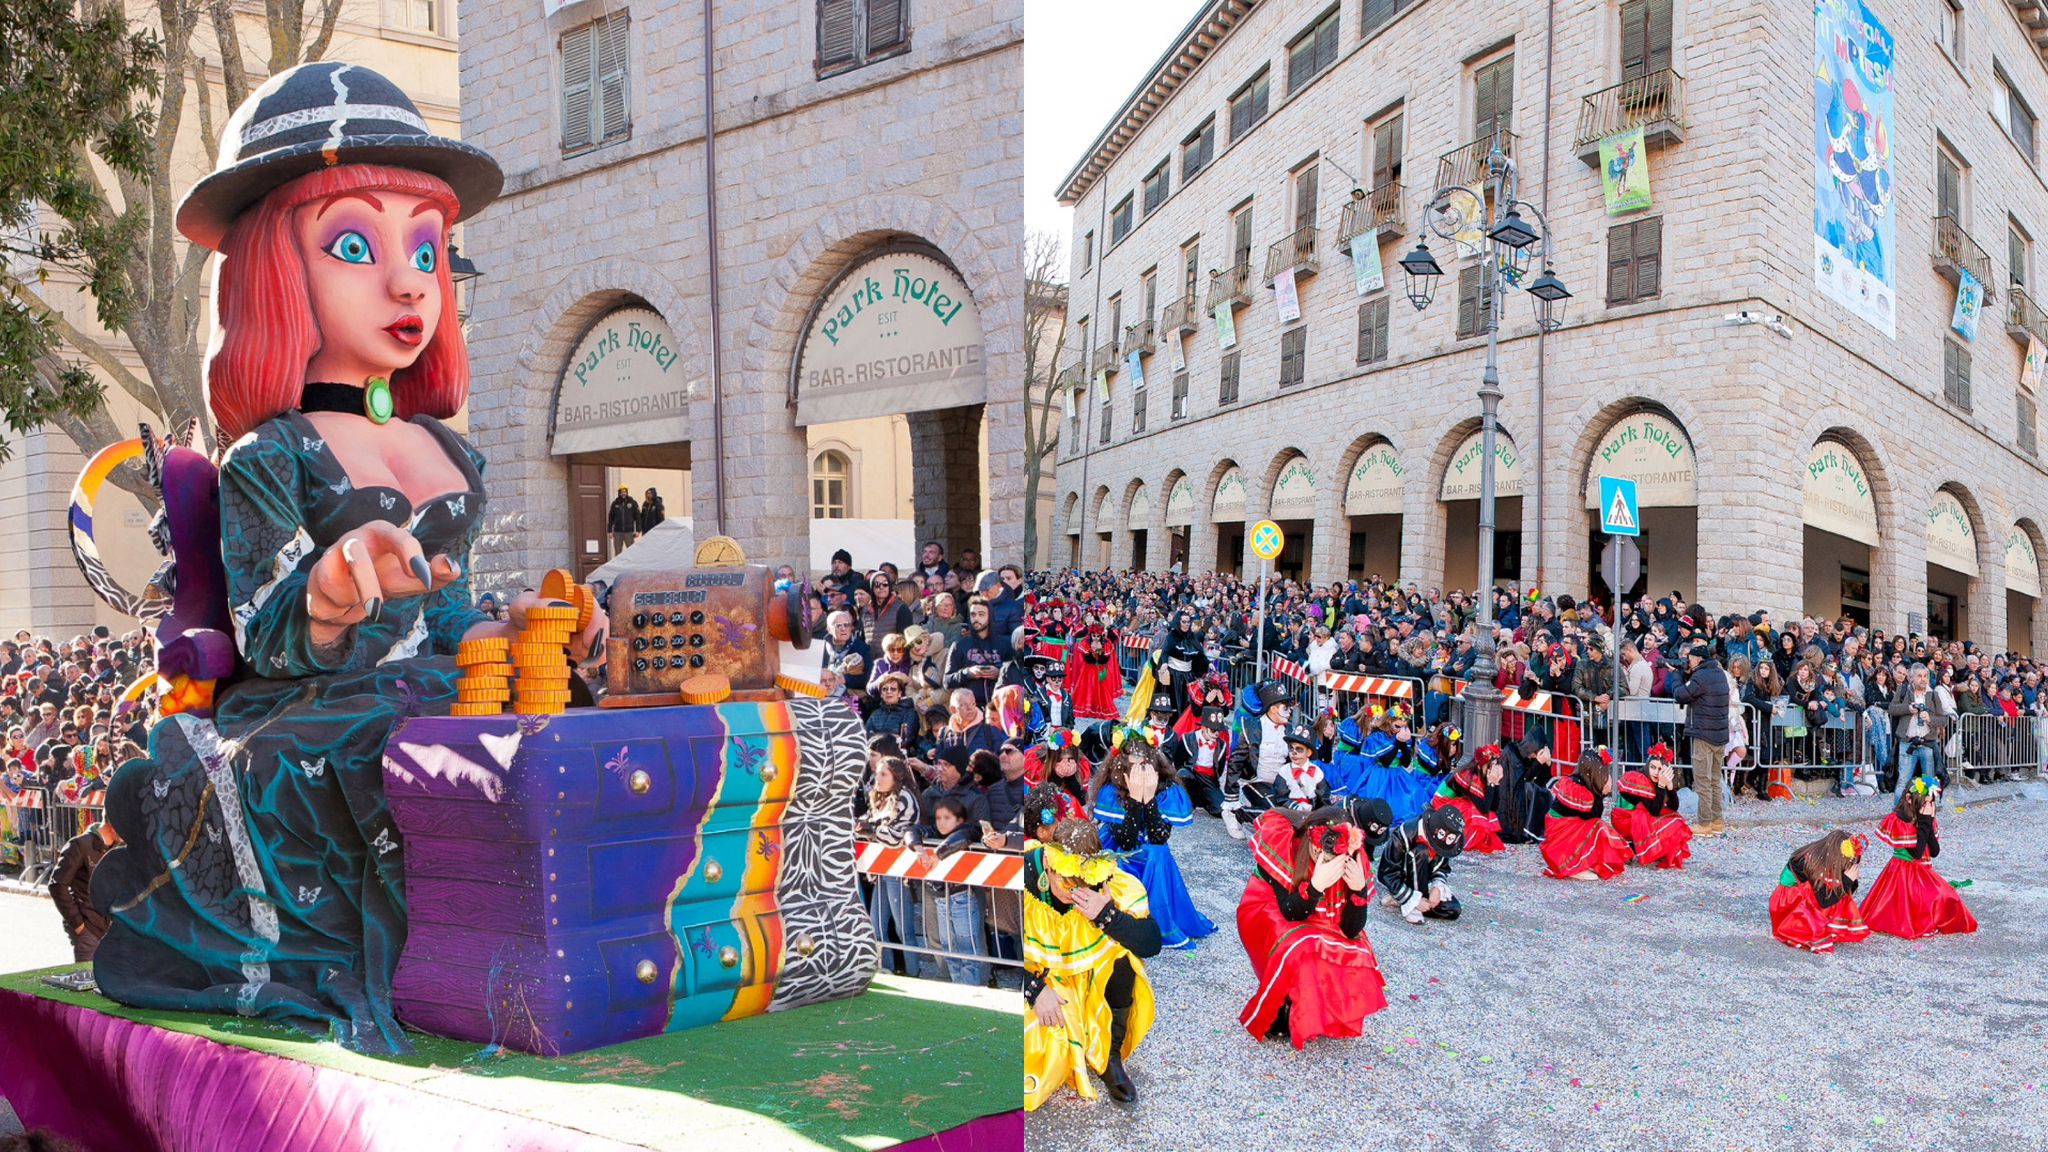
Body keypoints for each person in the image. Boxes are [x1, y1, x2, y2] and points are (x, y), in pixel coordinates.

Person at [88, 65, 612, 1054]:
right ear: (273, 271)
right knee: (383, 761)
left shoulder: (449, 452)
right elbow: (268, 635)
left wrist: (528, 633)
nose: (410, 279)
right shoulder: (269, 456)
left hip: (431, 684)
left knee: (566, 739)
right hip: (309, 701)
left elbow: (449, 621)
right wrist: (331, 591)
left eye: (427, 246)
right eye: (357, 244)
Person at [1023, 818, 1159, 1108]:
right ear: (1049, 863)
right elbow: (992, 948)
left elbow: (1151, 943)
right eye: (1069, 881)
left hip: (1090, 977)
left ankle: (1111, 1055)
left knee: (1124, 957)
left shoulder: (1106, 882)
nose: (1077, 893)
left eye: (1087, 882)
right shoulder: (1022, 875)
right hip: (1043, 981)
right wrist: (1033, 990)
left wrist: (1107, 915)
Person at [1236, 806, 1384, 1050]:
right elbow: (1289, 912)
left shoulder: (1353, 860)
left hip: (1317, 918)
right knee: (1302, 944)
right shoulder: (1286, 845)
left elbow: (1351, 929)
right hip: (1271, 913)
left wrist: (1358, 890)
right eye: (1324, 844)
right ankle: (1283, 999)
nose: (1327, 854)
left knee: (1356, 949)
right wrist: (1315, 886)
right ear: (1310, 836)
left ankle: (1317, 1003)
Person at [1091, 739, 1214, 949]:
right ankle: (1123, 918)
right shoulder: (1113, 791)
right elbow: (1126, 841)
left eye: (1144, 767)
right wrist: (1135, 801)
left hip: (1152, 852)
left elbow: (1159, 836)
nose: (1139, 772)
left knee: (1156, 854)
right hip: (1120, 849)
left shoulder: (1167, 790)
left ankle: (1158, 920)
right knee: (1119, 860)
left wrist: (1148, 800)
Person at [1860, 779, 1977, 939]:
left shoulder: (1926, 818)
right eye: (1924, 803)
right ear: (1909, 799)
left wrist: (1927, 822)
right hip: (1904, 873)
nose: (1928, 807)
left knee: (1948, 896)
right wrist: (1924, 822)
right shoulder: (1900, 820)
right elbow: (1916, 853)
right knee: (1925, 903)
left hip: (1923, 870)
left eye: (1931, 803)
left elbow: (1934, 851)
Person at [855, 758, 930, 978]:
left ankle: (913, 971)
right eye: (877, 773)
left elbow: (897, 835)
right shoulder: (880, 798)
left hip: (900, 872)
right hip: (882, 870)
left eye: (883, 774)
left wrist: (869, 830)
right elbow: (872, 823)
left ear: (896, 776)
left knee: (903, 927)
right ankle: (884, 969)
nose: (877, 779)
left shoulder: (905, 797)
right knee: (877, 925)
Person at [1769, 831, 1871, 953]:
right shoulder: (1811, 862)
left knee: (1840, 888)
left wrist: (1850, 879)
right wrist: (1847, 880)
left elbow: (1846, 892)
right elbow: (1824, 901)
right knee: (1836, 887)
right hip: (1790, 900)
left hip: (1807, 892)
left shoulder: (1825, 857)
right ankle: (1808, 924)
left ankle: (1832, 923)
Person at [1540, 751, 1633, 880]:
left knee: (1598, 827)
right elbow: (1592, 818)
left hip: (1565, 832)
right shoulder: (1577, 788)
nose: (1607, 777)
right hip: (1560, 838)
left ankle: (1582, 862)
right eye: (1605, 773)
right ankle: (1574, 866)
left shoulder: (1583, 783)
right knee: (1598, 827)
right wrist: (1602, 793)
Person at [1671, 641, 1730, 835]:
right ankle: (1717, 821)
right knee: (1714, 780)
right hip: (1719, 734)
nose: (1688, 663)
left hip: (1703, 734)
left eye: (1691, 659)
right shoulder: (1718, 673)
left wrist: (1676, 676)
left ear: (1698, 659)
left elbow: (1680, 694)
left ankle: (1704, 823)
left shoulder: (1701, 677)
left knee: (1702, 781)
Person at [1376, 805, 1466, 924]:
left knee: (1453, 909)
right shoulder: (1404, 834)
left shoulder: (1442, 842)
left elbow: (1442, 867)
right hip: (1398, 882)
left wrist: (1437, 886)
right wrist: (1413, 899)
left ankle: (1410, 902)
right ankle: (1410, 902)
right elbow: (1387, 873)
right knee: (1421, 851)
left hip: (1422, 881)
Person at [1611, 742, 1693, 869]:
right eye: (1653, 767)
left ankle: (1641, 847)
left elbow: (1673, 807)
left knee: (1674, 818)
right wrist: (1661, 786)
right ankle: (1636, 847)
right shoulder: (1640, 779)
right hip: (1625, 819)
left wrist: (1670, 787)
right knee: (1672, 823)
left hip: (1639, 817)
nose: (1655, 772)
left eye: (1660, 769)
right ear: (1647, 766)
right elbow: (1654, 811)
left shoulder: (1659, 780)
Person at [50, 820, 120, 962]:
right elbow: (57, 885)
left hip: (114, 931)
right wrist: (79, 925)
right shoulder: (80, 845)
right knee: (89, 981)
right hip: (90, 930)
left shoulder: (120, 849)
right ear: (113, 821)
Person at [1429, 743, 1505, 854]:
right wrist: (1491, 784)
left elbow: (1493, 807)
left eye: (1496, 764)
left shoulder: (1483, 775)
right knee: (1473, 810)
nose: (1493, 769)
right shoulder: (1469, 776)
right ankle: (1467, 839)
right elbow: (1483, 808)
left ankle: (1479, 838)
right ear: (1480, 765)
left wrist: (1495, 783)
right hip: (1443, 802)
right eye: (1490, 765)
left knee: (1477, 808)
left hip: (1458, 801)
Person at [1164, 702, 1232, 817]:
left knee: (1219, 810)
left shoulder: (1222, 745)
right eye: (1213, 730)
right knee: (1183, 774)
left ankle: (1205, 798)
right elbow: (1178, 761)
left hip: (1209, 778)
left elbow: (1219, 770)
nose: (1216, 734)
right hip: (1192, 773)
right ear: (1203, 727)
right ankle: (1191, 799)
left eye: (1219, 731)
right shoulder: (1188, 738)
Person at [1064, 623, 1122, 721]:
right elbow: (1088, 660)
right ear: (1090, 634)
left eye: (1098, 636)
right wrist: (1095, 653)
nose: (1095, 638)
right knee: (1086, 689)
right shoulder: (1085, 642)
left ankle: (1098, 709)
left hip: (1100, 671)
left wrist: (1098, 653)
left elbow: (1105, 659)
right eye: (1093, 636)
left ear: (1101, 635)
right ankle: (1087, 709)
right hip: (1087, 671)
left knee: (1102, 690)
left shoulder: (1106, 643)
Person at [607, 485, 640, 557]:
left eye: (624, 492)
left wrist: (638, 530)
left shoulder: (632, 503)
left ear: (627, 492)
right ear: (619, 493)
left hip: (629, 531)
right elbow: (610, 518)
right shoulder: (615, 503)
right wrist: (609, 531)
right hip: (617, 532)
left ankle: (632, 566)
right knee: (618, 552)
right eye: (621, 492)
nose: (623, 493)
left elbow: (638, 517)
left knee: (632, 551)